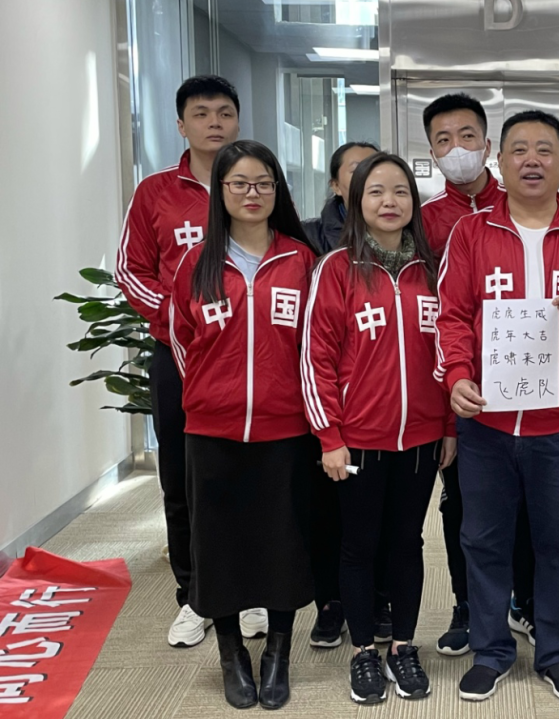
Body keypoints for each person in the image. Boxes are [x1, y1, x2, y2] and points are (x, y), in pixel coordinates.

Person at [436, 110, 559, 704]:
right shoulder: (470, 233)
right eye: (518, 149)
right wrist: (457, 376)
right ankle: (491, 651)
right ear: (499, 161)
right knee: (483, 540)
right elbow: (451, 316)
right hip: (486, 424)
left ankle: (557, 653)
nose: (531, 160)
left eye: (545, 149)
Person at [115, 75, 269, 647]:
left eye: (224, 112)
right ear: (181, 125)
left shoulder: (253, 185)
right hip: (179, 359)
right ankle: (194, 595)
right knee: (183, 480)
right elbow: (131, 270)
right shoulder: (156, 192)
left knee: (253, 475)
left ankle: (252, 590)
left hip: (250, 359)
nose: (214, 123)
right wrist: (182, 320)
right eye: (201, 113)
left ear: (237, 120)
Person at [169, 140, 319, 710]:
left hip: (286, 429)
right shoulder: (197, 262)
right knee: (219, 545)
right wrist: (212, 397)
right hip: (213, 431)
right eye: (239, 183)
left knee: (283, 540)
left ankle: (278, 652)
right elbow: (182, 340)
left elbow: (318, 345)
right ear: (221, 191)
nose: (252, 193)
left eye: (263, 183)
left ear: (277, 190)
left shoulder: (301, 260)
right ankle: (231, 653)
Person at [303, 152, 456, 704]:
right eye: (375, 192)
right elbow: (316, 358)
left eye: (400, 191)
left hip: (421, 437)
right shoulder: (335, 268)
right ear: (354, 201)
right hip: (358, 439)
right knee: (359, 544)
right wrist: (330, 436)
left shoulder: (433, 270)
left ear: (414, 202)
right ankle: (364, 650)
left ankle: (403, 647)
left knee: (407, 543)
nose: (389, 202)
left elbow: (450, 351)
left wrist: (448, 425)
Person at [419, 93, 532, 657]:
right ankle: (468, 604)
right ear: (432, 153)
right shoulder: (425, 222)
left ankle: (526, 599)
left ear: (488, 145)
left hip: (530, 383)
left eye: (467, 136)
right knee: (463, 505)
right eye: (443, 140)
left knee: (530, 504)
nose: (457, 148)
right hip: (460, 387)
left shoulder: (523, 207)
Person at [300, 139, 383, 652]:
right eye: (356, 170)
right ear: (335, 184)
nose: (367, 179)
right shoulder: (311, 240)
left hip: (386, 414)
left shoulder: (409, 246)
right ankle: (331, 603)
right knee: (331, 515)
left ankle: (379, 603)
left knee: (384, 521)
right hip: (328, 403)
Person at [302, 141, 379, 255]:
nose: (369, 177)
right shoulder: (307, 235)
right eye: (356, 171)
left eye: (376, 170)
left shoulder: (402, 229)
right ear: (336, 186)